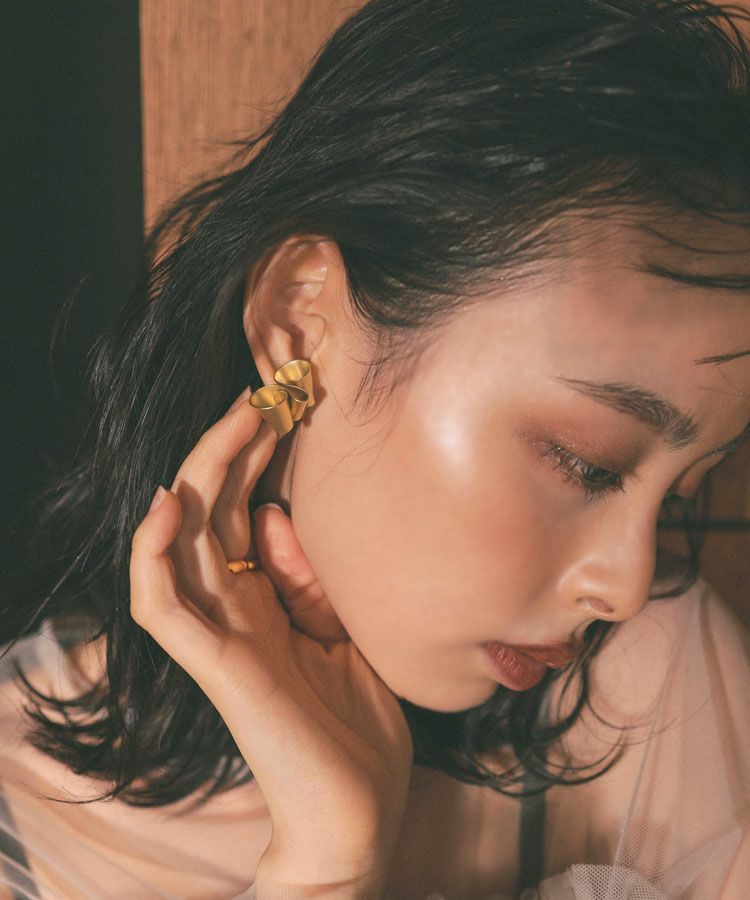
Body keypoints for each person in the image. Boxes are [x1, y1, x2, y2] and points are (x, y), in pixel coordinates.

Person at [1, 0, 749, 897]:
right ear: (300, 324)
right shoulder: (19, 819)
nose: (625, 585)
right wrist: (329, 860)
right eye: (585, 463)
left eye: (679, 495)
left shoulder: (655, 689)